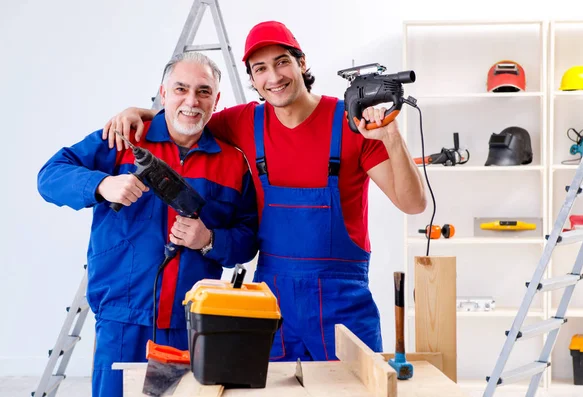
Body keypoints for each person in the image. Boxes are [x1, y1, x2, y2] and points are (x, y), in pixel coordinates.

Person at [103, 21, 426, 362]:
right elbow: (187, 117)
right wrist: (137, 112)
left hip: (341, 304)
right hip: (271, 302)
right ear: (252, 80)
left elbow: (413, 203)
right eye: (261, 69)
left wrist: (391, 134)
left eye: (282, 61)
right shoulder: (244, 122)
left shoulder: (349, 121)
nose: (273, 77)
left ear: (301, 63)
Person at [37, 51, 258, 397]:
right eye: (181, 89)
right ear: (163, 93)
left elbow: (247, 240)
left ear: (216, 100)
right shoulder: (122, 138)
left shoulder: (233, 163)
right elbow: (49, 176)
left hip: (193, 322)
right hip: (123, 319)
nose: (191, 101)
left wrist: (209, 240)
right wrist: (100, 185)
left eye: (203, 92)